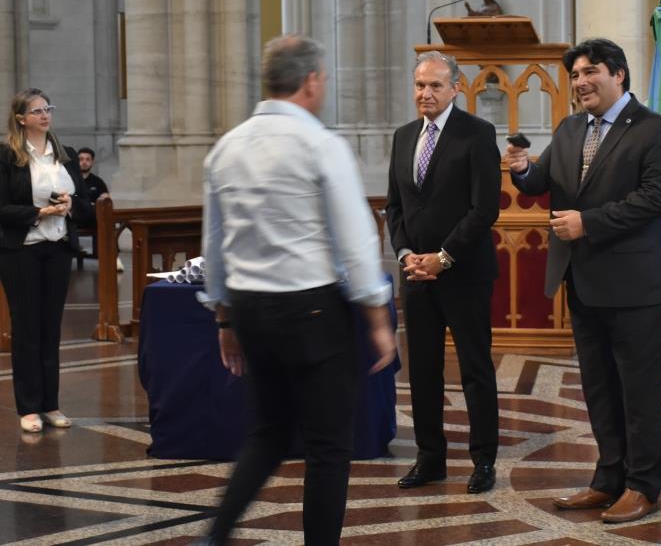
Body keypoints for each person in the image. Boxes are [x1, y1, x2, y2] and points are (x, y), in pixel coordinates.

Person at [199, 35, 397, 545]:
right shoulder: (320, 145)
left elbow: (215, 243)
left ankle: (214, 537)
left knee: (267, 434)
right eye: (324, 78)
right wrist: (378, 317)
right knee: (329, 445)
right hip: (311, 310)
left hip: (248, 307)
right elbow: (355, 239)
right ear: (311, 82)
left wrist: (224, 319)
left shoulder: (227, 147)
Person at [506, 38, 661, 524]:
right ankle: (608, 479)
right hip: (582, 281)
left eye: (590, 71)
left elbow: (654, 198)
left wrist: (589, 222)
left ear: (618, 73)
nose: (580, 82)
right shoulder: (569, 128)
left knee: (638, 393)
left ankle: (643, 484)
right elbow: (545, 180)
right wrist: (522, 170)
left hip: (635, 285)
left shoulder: (655, 129)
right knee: (600, 388)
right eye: (575, 75)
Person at [385, 51, 501, 494]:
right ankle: (430, 458)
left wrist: (444, 257)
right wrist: (406, 254)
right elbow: (395, 206)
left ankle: (483, 460)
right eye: (419, 85)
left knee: (474, 368)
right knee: (424, 369)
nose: (425, 93)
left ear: (456, 87)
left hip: (464, 272)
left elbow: (484, 208)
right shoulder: (403, 136)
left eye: (435, 85)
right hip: (415, 274)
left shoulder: (477, 133)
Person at [0, 89, 92, 433]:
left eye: (47, 109)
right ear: (21, 118)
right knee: (26, 329)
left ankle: (51, 404)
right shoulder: (8, 156)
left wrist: (69, 205)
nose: (45, 115)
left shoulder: (64, 155)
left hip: (57, 249)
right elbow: (3, 209)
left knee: (50, 327)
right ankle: (28, 407)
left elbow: (85, 207)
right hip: (22, 250)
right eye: (36, 111)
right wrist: (40, 212)